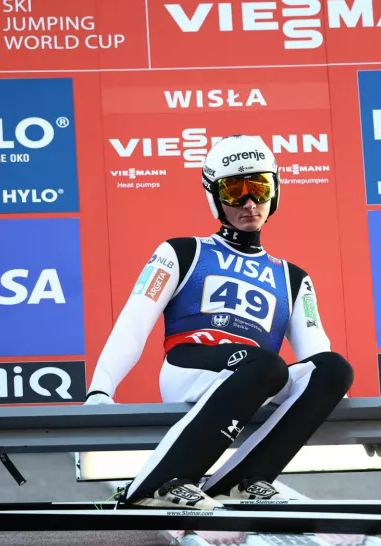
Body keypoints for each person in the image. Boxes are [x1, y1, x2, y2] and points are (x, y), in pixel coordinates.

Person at [83, 135, 360, 510]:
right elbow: (133, 323)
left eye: (259, 188)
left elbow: (316, 355)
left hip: (257, 378)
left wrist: (349, 413)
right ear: (214, 197)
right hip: (191, 368)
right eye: (234, 191)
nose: (249, 203)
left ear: (275, 191)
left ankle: (244, 481)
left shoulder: (294, 278)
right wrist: (101, 389)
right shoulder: (181, 251)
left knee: (334, 368)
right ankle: (159, 483)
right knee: (266, 364)